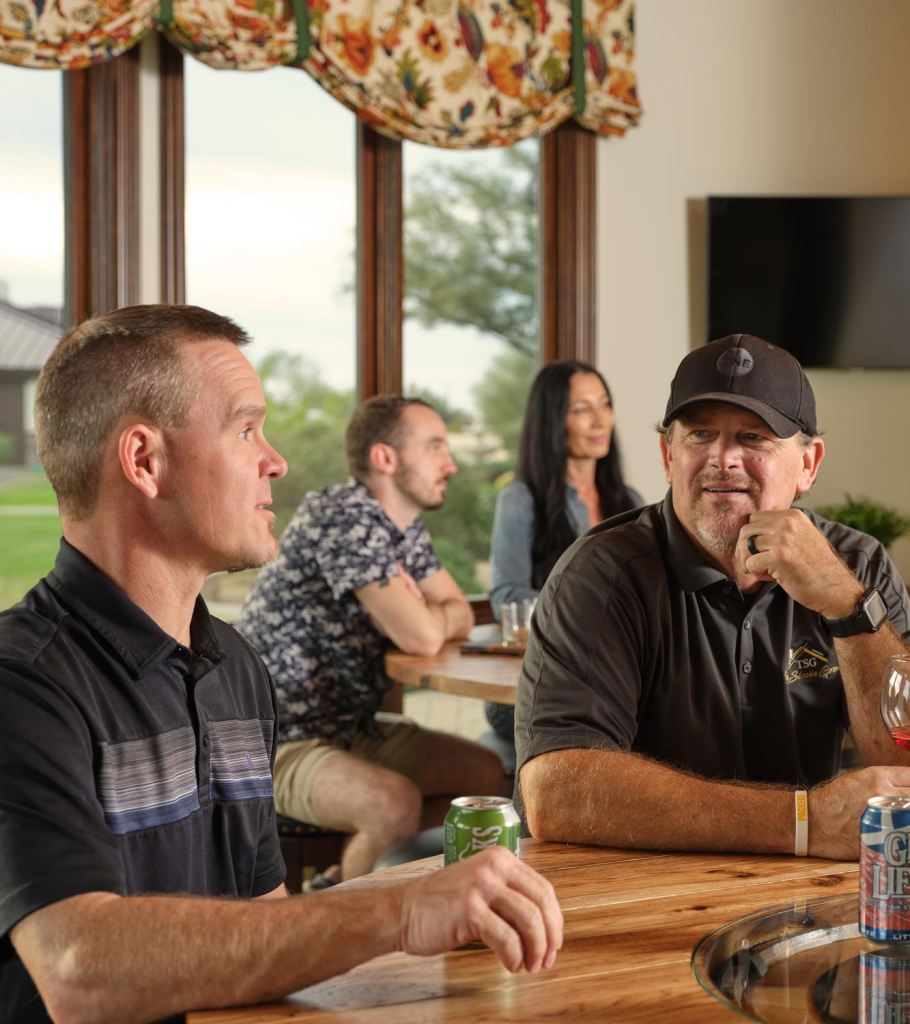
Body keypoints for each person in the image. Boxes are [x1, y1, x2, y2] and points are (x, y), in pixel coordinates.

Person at [0, 305, 562, 1024]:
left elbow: (265, 918)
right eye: (245, 428)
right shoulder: (23, 687)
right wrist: (395, 910)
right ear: (145, 461)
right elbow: (78, 969)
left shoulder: (235, 669)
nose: (276, 460)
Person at [515, 334, 910, 861]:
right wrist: (806, 821)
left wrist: (848, 607)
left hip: (805, 895)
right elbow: (555, 792)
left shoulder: (858, 565)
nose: (722, 458)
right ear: (668, 455)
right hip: (634, 893)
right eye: (700, 433)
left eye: (754, 438)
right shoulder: (599, 574)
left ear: (808, 464)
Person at [236, 395, 505, 881]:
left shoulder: (404, 528)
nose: (451, 463)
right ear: (386, 458)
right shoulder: (342, 514)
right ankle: (343, 938)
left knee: (484, 776)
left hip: (349, 729)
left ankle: (340, 884)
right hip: (276, 738)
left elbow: (459, 612)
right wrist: (428, 616)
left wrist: (427, 615)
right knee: (392, 804)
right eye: (435, 448)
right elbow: (423, 637)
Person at [485, 361, 642, 742]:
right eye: (580, 410)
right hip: (538, 686)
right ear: (552, 420)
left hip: (617, 678)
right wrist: (591, 615)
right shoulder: (521, 499)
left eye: (604, 405)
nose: (599, 421)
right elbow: (507, 597)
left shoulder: (630, 502)